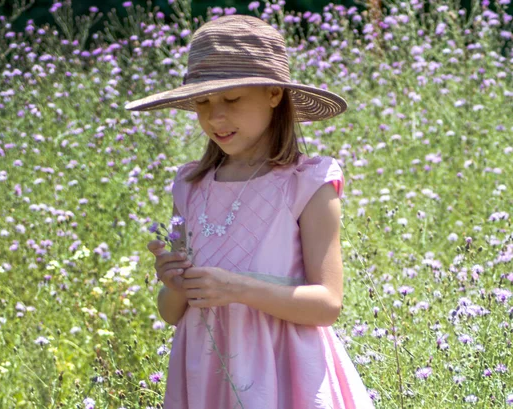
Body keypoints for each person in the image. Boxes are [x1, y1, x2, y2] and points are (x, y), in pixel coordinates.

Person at [125, 14, 375, 409]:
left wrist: (235, 288)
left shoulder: (307, 182)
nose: (215, 116)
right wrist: (174, 284)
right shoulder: (190, 186)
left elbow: (328, 304)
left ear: (274, 94)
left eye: (232, 99)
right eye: (203, 102)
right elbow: (172, 313)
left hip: (286, 374)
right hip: (206, 375)